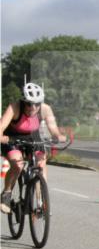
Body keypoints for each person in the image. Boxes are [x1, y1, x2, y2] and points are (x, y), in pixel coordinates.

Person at [1, 83, 66, 213]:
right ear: (24, 101)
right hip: (12, 137)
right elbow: (1, 126)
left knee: (41, 163)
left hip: (32, 137)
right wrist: (1, 136)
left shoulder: (45, 109)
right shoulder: (15, 107)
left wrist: (58, 136)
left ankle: (41, 203)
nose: (33, 107)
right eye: (29, 103)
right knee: (17, 164)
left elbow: (53, 128)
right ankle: (6, 194)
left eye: (37, 104)